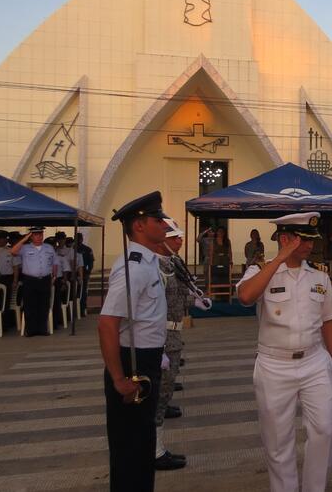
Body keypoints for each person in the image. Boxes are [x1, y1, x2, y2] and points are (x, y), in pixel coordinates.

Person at [236, 212, 332, 492]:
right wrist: (279, 260)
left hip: (315, 361)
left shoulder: (319, 275)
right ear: (285, 239)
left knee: (325, 430)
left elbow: (328, 319)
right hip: (274, 365)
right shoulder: (260, 270)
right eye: (302, 240)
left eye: (311, 240)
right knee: (278, 442)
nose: (309, 246)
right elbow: (246, 297)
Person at [97, 191, 169, 491]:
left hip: (147, 360)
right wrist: (119, 378)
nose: (164, 225)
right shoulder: (135, 268)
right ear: (139, 225)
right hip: (132, 364)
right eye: (158, 219)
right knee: (130, 448)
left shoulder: (150, 261)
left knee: (142, 445)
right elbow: (107, 323)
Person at [153, 218, 191, 471]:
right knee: (157, 398)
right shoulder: (153, 266)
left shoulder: (172, 262)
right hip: (162, 338)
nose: (180, 241)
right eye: (175, 237)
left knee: (164, 393)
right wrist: (156, 349)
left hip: (173, 336)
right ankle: (154, 452)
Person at [11, 226, 57, 336]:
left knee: (44, 304)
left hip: (45, 279)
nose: (39, 236)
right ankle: (31, 330)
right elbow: (13, 251)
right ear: (31, 236)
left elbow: (54, 262)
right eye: (36, 234)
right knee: (30, 305)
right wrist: (24, 239)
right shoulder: (25, 248)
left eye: (41, 234)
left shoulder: (49, 248)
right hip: (30, 280)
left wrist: (54, 276)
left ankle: (42, 329)